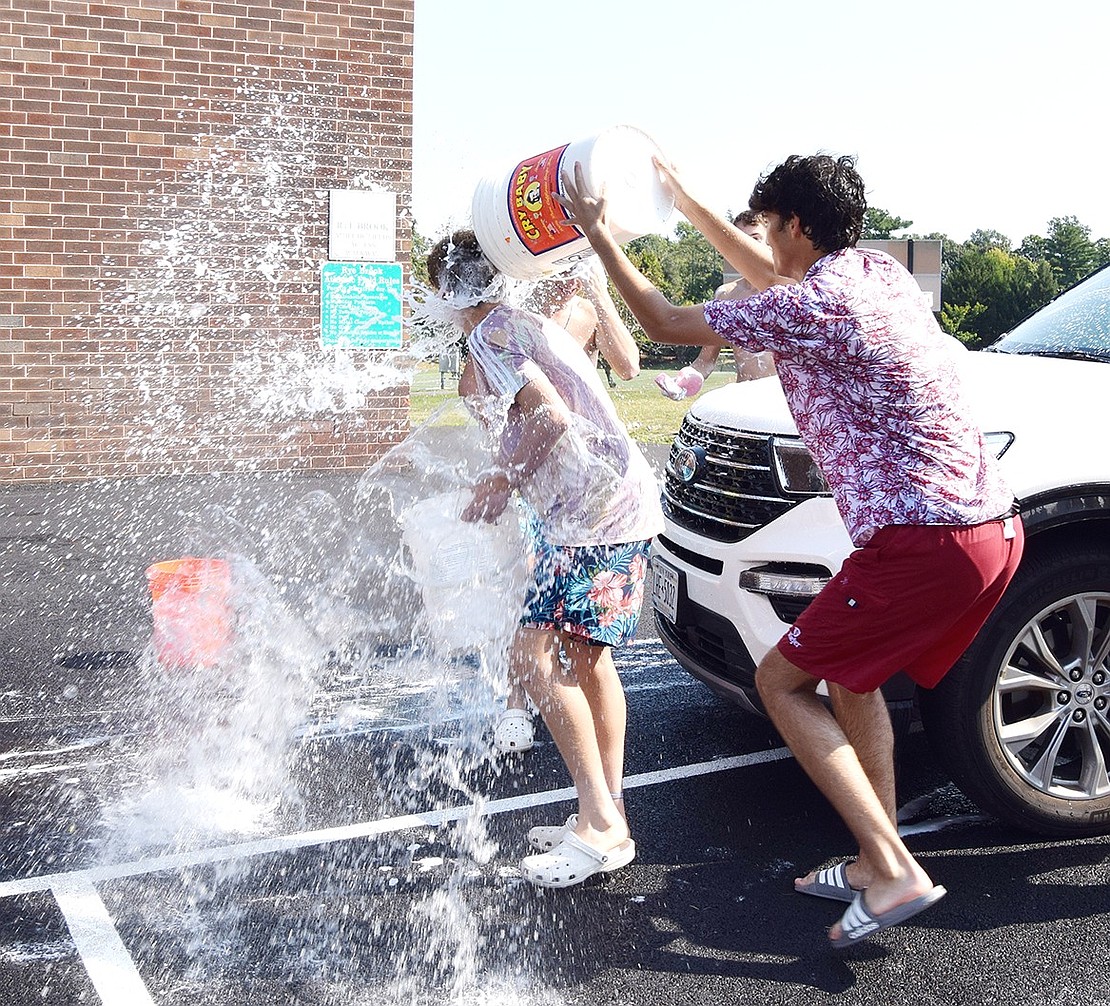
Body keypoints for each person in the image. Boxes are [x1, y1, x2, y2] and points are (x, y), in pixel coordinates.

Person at [556, 153, 1023, 945]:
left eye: (769, 225)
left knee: (784, 683)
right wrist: (686, 196)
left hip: (925, 540)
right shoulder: (874, 274)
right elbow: (765, 271)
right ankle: (878, 861)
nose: (762, 240)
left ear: (795, 226)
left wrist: (600, 238)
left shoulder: (815, 306)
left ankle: (896, 867)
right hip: (986, 530)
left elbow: (667, 323)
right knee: (851, 679)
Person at [426, 229, 664, 888]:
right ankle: (603, 813)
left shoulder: (492, 334)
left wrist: (500, 480)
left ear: (449, 292)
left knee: (534, 657)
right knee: (588, 659)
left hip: (595, 517)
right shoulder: (519, 321)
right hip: (611, 507)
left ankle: (601, 824)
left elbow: (551, 417)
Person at [493, 258, 642, 755]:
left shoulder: (586, 309)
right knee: (529, 584)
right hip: (542, 473)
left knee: (572, 619)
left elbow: (628, 366)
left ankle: (563, 707)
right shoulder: (519, 306)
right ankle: (517, 701)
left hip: (588, 482)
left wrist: (598, 292)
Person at [654, 210, 775, 400]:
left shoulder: (789, 291)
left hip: (783, 406)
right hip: (744, 403)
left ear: (771, 242)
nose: (747, 246)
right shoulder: (726, 295)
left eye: (755, 238)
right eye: (740, 239)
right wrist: (683, 382)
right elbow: (705, 362)